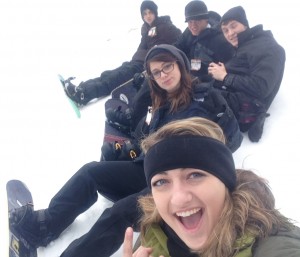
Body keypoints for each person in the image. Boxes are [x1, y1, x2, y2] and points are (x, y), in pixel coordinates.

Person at [9, 44, 242, 257]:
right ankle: (45, 225)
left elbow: (232, 139)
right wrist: (128, 147)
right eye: (157, 72)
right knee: (91, 172)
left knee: (120, 213)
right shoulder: (160, 103)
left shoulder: (205, 97)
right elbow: (143, 132)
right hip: (148, 170)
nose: (164, 75)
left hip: (180, 184)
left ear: (180, 64)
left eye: (168, 66)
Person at [122, 117, 300, 257]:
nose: (178, 198)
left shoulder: (272, 243)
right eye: (161, 182)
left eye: (195, 175)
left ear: (225, 181)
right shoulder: (155, 233)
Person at [108, 0, 234, 131]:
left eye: (197, 20)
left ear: (206, 19)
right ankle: (135, 117)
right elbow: (177, 46)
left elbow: (221, 69)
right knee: (152, 83)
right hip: (185, 70)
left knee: (162, 97)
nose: (193, 25)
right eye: (189, 21)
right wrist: (158, 61)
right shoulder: (189, 32)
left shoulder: (220, 40)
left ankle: (146, 124)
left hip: (200, 83)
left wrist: (184, 62)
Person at [64, 0, 181, 106]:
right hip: (136, 62)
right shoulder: (146, 29)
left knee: (115, 78)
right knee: (108, 74)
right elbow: (142, 48)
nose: (148, 16)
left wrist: (163, 54)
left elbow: (180, 40)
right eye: (144, 13)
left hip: (145, 67)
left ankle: (83, 95)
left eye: (150, 12)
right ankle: (80, 88)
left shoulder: (165, 26)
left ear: (155, 12)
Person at [208, 6, 285, 142]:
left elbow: (261, 87)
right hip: (226, 93)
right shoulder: (246, 44)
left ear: (245, 24)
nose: (230, 33)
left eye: (234, 26)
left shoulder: (269, 47)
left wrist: (225, 77)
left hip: (242, 105)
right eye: (225, 30)